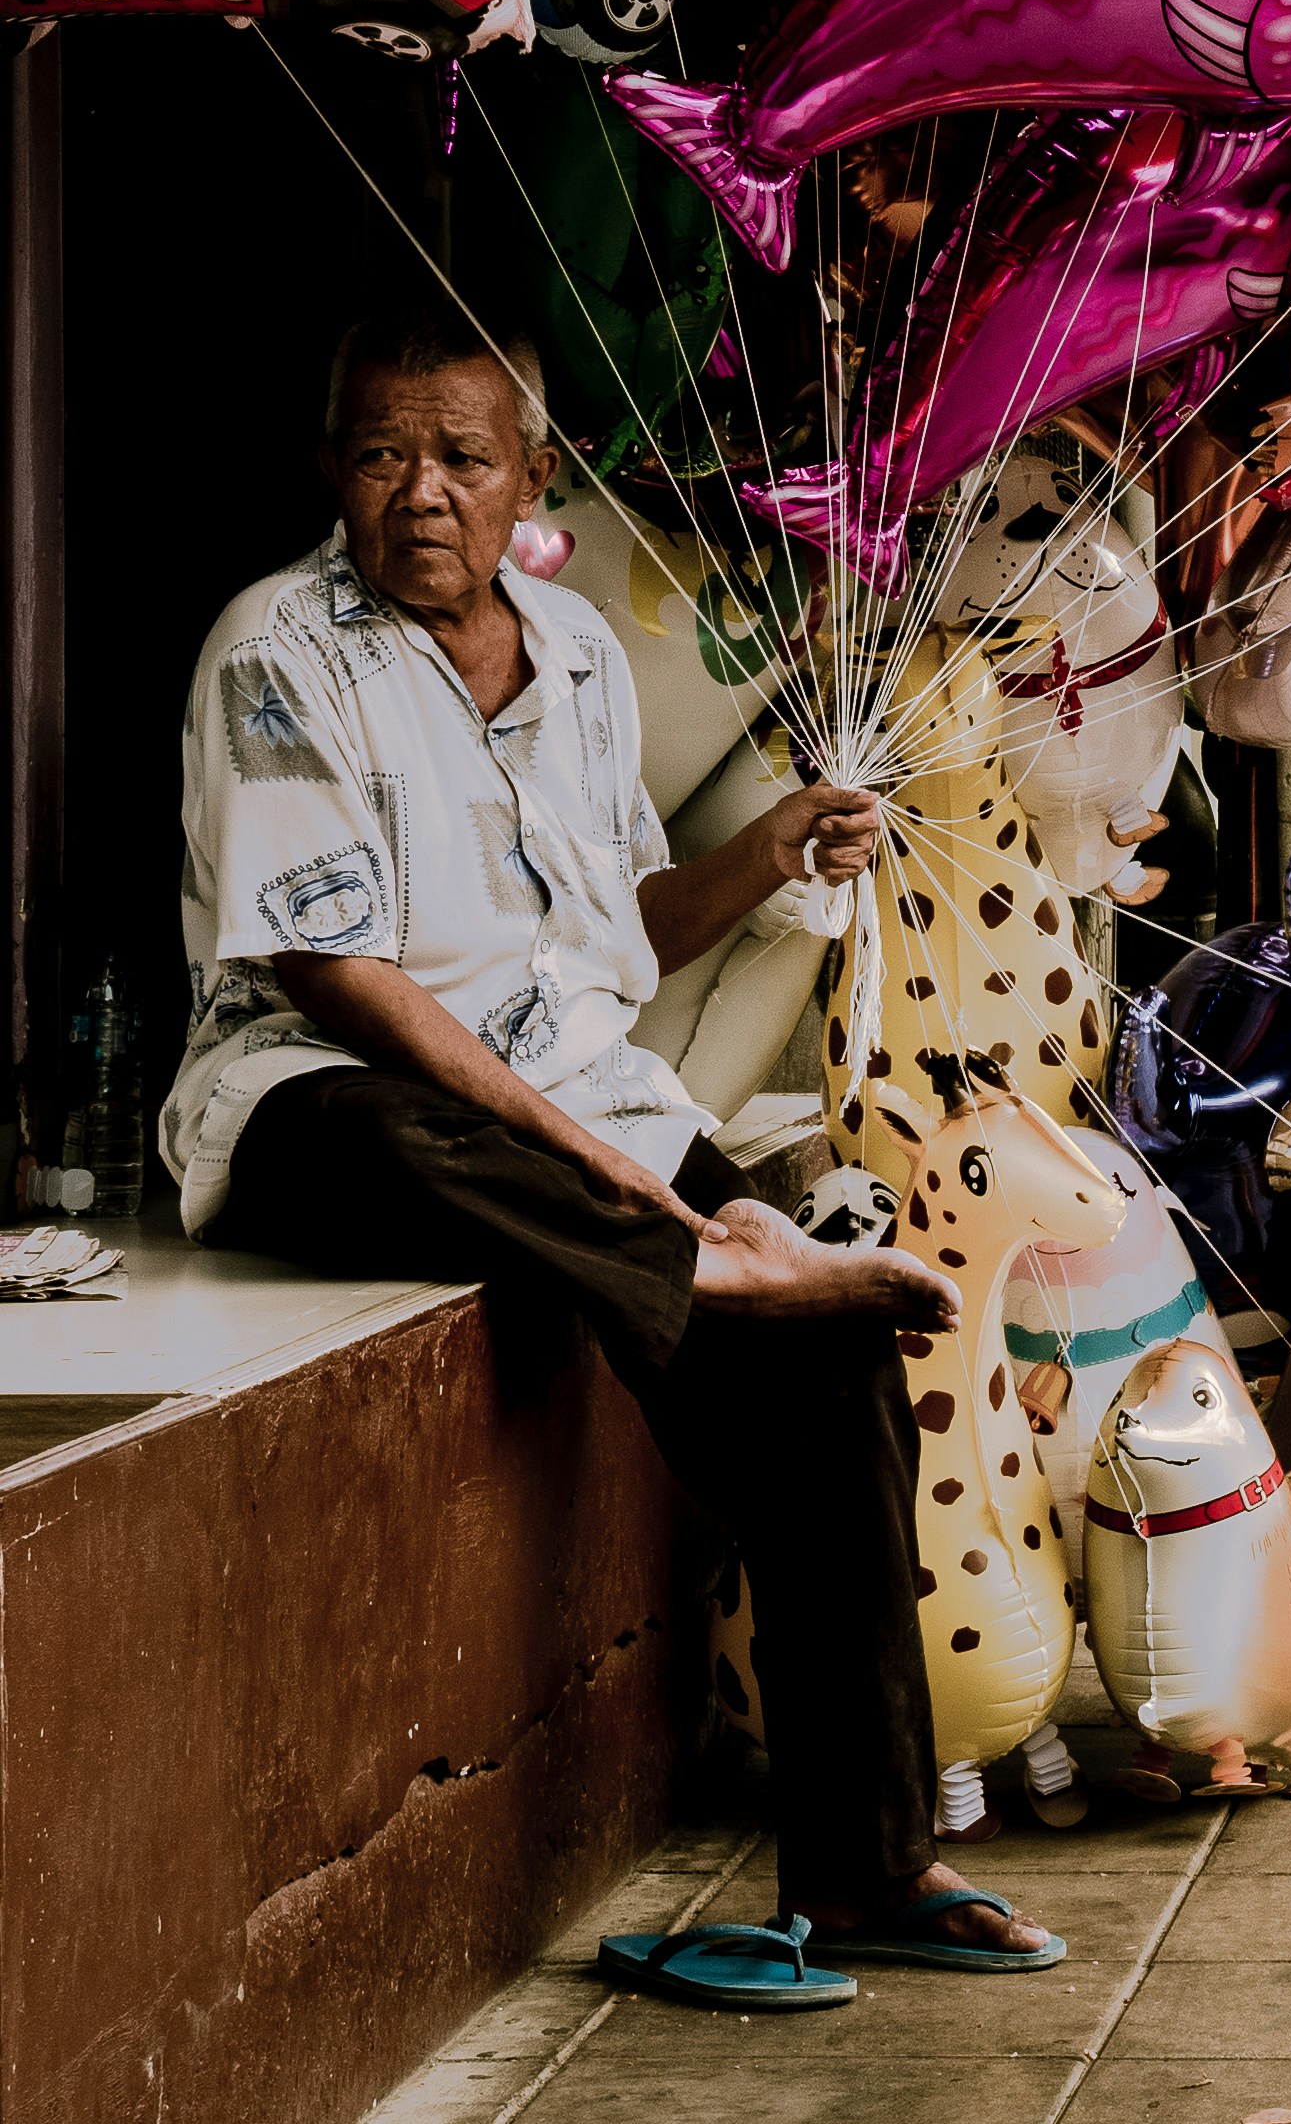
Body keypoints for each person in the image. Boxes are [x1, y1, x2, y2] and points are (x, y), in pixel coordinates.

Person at [166, 299, 1057, 2011]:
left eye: (460, 457)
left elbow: (610, 946)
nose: (418, 491)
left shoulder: (575, 658)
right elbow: (335, 975)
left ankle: (869, 1860)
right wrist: (668, 1209)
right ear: (330, 470)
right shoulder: (273, 645)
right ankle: (711, 1259)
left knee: (835, 1355)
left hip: (584, 1125)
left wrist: (769, 848)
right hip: (315, 1099)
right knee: (414, 1137)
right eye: (378, 453)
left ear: (532, 479)